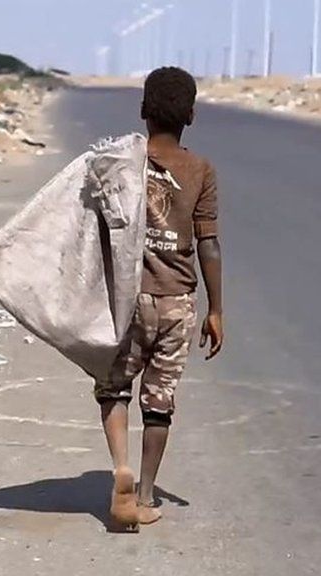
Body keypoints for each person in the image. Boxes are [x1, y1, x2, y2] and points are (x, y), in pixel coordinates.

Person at [94, 67, 224, 531]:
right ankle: (146, 493)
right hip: (177, 304)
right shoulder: (201, 171)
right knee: (159, 400)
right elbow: (208, 243)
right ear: (191, 115)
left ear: (142, 111)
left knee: (114, 388)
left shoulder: (120, 163)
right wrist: (216, 309)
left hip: (127, 302)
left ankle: (120, 468)